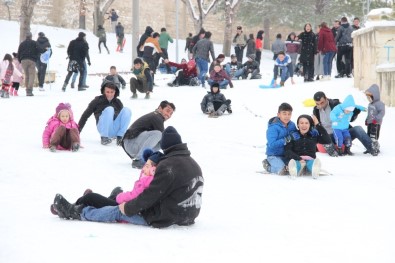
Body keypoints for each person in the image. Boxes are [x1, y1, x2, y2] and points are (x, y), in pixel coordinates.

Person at [52, 126, 204, 229]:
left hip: (165, 217)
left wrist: (128, 208)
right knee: (117, 204)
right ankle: (93, 202)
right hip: (187, 216)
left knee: (118, 211)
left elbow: (150, 195)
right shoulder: (194, 164)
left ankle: (77, 212)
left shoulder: (168, 166)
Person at [51, 149, 163, 218]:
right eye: (145, 165)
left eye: (147, 166)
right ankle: (80, 203)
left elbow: (135, 196)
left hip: (127, 209)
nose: (144, 168)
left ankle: (72, 208)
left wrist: (120, 197)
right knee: (114, 195)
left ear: (154, 170)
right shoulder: (147, 178)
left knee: (92, 197)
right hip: (128, 205)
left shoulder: (149, 181)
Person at [312, 91, 379, 156]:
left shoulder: (336, 104)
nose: (320, 105)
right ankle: (333, 150)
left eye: (322, 103)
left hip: (343, 133)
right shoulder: (316, 110)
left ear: (326, 98)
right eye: (317, 104)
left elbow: (350, 118)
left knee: (357, 129)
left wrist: (355, 112)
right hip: (328, 137)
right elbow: (316, 126)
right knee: (324, 138)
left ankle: (372, 148)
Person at [121, 100, 175, 168]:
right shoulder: (156, 116)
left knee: (161, 142)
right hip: (130, 143)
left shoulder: (156, 116)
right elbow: (164, 137)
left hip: (133, 146)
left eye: (171, 113)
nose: (168, 115)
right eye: (167, 111)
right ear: (160, 108)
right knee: (159, 134)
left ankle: (147, 159)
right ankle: (140, 159)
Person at [78, 81, 131, 146]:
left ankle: (120, 137)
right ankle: (104, 138)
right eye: (107, 92)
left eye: (112, 92)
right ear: (103, 91)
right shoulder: (97, 100)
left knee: (127, 110)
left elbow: (123, 118)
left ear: (115, 92)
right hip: (102, 127)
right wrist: (77, 132)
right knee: (110, 109)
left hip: (114, 128)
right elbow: (85, 116)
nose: (110, 94)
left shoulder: (118, 102)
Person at [285, 114, 331, 179]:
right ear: (298, 125)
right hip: (298, 160)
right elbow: (287, 151)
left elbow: (327, 141)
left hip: (310, 160)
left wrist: (318, 125)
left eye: (306, 123)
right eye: (301, 123)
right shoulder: (293, 136)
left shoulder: (314, 135)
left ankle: (314, 170)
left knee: (312, 164)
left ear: (310, 125)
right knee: (296, 164)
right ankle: (294, 170)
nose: (304, 125)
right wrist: (299, 158)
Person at [262, 102, 298, 175]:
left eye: (289, 114)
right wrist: (286, 139)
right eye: (284, 113)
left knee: (293, 168)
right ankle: (268, 166)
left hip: (287, 154)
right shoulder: (273, 128)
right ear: (278, 114)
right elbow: (272, 144)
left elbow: (296, 135)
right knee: (282, 170)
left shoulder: (292, 125)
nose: (287, 116)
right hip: (274, 155)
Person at [17, 31, 39, 96]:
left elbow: (19, 52)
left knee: (27, 75)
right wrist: (36, 58)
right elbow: (38, 51)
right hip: (32, 60)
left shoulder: (22, 44)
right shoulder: (34, 43)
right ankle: (29, 90)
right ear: (31, 36)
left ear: (26, 37)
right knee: (32, 75)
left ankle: (27, 90)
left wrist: (20, 60)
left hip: (23, 60)